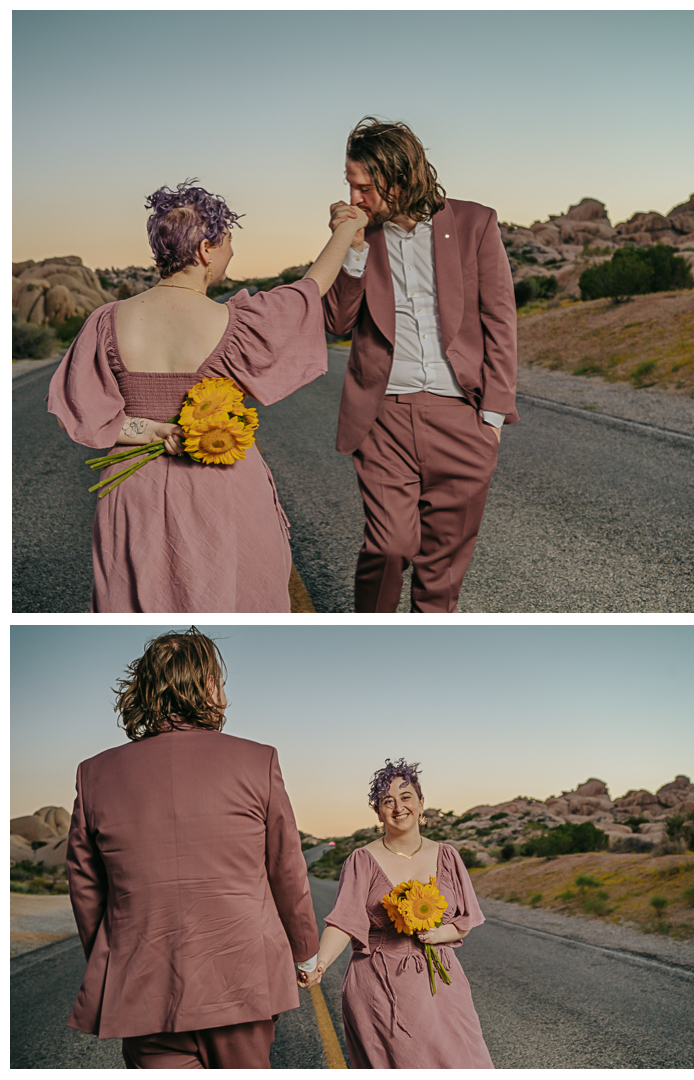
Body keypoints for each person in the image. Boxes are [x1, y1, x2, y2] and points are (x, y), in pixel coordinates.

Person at [47, 180, 367, 613]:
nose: (231, 254)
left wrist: (152, 430)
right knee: (235, 593)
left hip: (132, 489)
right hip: (220, 483)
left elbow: (86, 413)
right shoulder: (235, 322)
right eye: (228, 242)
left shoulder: (106, 321)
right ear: (206, 250)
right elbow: (309, 290)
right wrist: (345, 230)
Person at [65, 627, 320, 1069]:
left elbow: (86, 889)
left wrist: (115, 962)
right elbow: (286, 867)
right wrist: (305, 951)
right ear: (206, 687)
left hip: (143, 986)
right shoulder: (258, 761)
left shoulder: (94, 774)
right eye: (217, 679)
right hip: (241, 984)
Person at [323, 117, 518, 613]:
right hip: (383, 416)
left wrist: (491, 420)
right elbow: (338, 323)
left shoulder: (476, 223)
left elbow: (500, 321)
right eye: (350, 183)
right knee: (389, 547)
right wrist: (352, 249)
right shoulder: (360, 235)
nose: (354, 195)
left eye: (365, 186)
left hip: (463, 419)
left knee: (441, 572)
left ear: (402, 177)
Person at [299, 758, 494, 1069]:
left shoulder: (448, 856)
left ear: (421, 803)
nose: (398, 807)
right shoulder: (361, 860)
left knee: (465, 1061)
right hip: (380, 985)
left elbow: (465, 921)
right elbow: (343, 922)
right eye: (387, 801)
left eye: (406, 797)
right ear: (378, 812)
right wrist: (320, 964)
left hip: (443, 986)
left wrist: (440, 933)